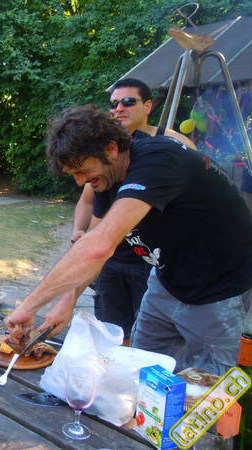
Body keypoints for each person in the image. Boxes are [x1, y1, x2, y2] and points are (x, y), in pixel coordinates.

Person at [5, 105, 252, 376]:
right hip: (167, 279)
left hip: (218, 286)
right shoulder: (106, 177)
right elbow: (93, 241)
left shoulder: (158, 159)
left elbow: (98, 248)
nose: (79, 182)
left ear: (111, 149)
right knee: (139, 367)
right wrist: (69, 298)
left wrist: (29, 306)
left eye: (82, 170)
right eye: (73, 174)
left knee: (204, 386)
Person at [71, 79, 195, 343]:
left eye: (128, 102)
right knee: (110, 331)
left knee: (148, 336)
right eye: (114, 103)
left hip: (153, 261)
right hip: (113, 257)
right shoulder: (105, 152)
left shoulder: (170, 143)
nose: (119, 108)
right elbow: (89, 201)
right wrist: (79, 232)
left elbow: (194, 194)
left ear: (147, 106)